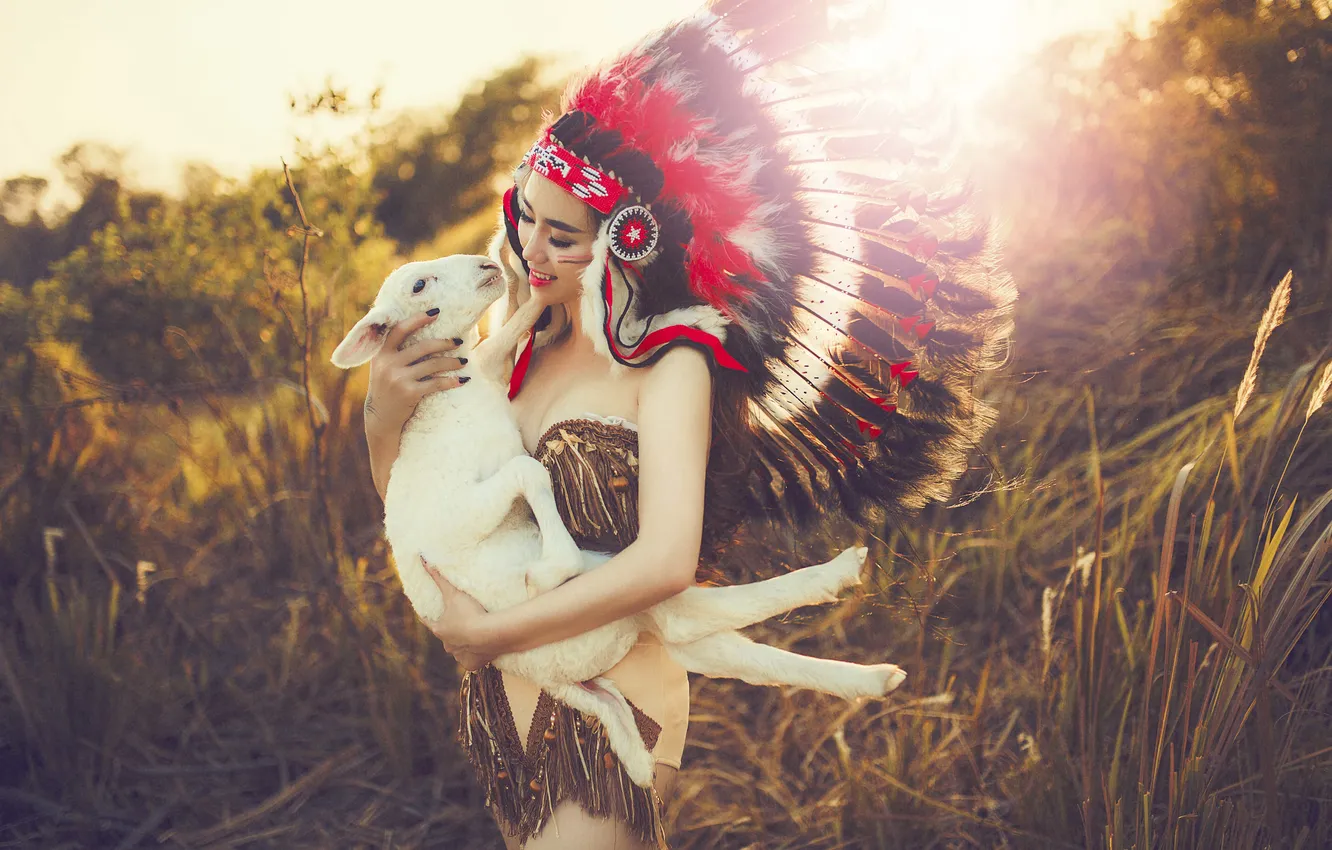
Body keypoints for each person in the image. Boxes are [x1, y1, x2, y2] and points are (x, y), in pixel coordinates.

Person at [359, 1, 1015, 847]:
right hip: (505, 694)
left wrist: (487, 634)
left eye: (562, 236)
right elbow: (426, 508)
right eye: (524, 217)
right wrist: (385, 417)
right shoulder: (514, 344)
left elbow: (665, 562)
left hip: (613, 684)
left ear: (626, 241)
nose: (529, 251)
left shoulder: (671, 366)